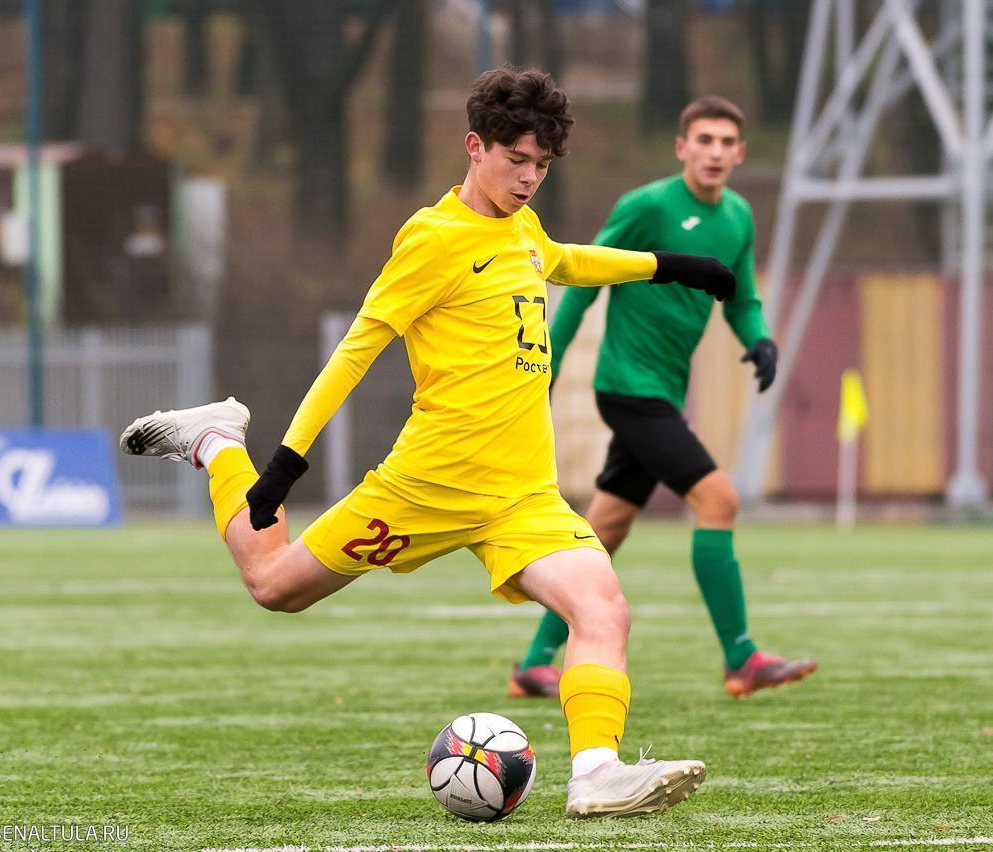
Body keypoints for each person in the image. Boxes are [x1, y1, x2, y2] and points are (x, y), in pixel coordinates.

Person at [120, 68, 738, 819]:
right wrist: (285, 462)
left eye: (542, 165)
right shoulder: (431, 239)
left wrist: (671, 268)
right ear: (475, 147)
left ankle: (597, 773)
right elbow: (355, 352)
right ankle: (219, 443)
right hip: (426, 486)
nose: (529, 179)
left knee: (603, 607)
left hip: (522, 496)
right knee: (274, 585)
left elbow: (568, 260)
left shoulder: (522, 227)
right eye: (516, 160)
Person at [509, 96, 817, 702]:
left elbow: (742, 298)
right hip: (627, 388)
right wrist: (548, 364)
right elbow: (579, 284)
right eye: (704, 140)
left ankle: (534, 663)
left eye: (726, 143)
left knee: (606, 527)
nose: (715, 152)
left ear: (740, 153)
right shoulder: (646, 206)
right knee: (719, 499)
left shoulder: (738, 217)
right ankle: (742, 658)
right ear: (682, 148)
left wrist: (759, 340)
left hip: (664, 395)